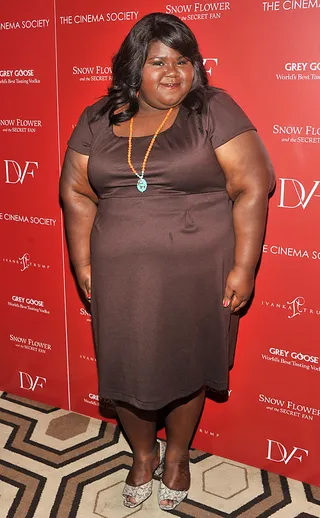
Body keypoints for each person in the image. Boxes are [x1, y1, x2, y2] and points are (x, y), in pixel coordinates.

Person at [60, 11, 275, 512]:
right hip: (120, 274)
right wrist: (84, 262)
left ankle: (176, 457)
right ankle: (141, 455)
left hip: (199, 273)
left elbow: (252, 186)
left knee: (186, 363)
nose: (174, 73)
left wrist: (244, 268)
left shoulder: (212, 110)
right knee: (129, 367)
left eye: (184, 61)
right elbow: (75, 192)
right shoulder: (98, 117)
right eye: (159, 62)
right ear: (135, 68)